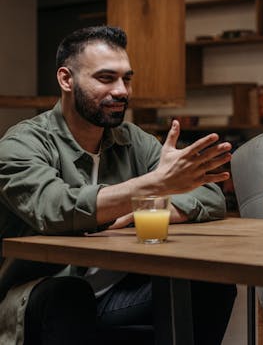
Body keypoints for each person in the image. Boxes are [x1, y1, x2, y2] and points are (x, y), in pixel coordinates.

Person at [0, 26, 237, 345]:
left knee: (212, 282)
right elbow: (55, 209)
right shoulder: (22, 144)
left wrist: (155, 207)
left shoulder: (133, 139)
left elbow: (208, 195)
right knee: (69, 294)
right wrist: (155, 185)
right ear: (66, 80)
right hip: (35, 294)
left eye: (127, 79)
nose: (122, 90)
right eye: (106, 78)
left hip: (113, 295)